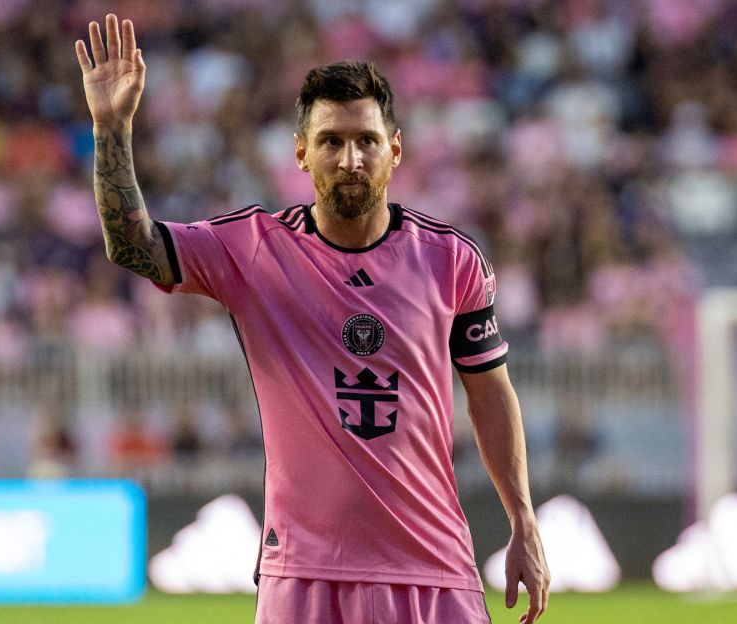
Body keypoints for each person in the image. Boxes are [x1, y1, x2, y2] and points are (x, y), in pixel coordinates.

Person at [76, 14, 549, 623]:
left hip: (433, 572)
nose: (350, 158)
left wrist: (524, 519)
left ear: (395, 150)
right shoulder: (252, 249)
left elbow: (490, 393)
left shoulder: (451, 260)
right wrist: (111, 128)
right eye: (330, 141)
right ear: (301, 153)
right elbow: (131, 245)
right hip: (302, 575)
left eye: (366, 140)